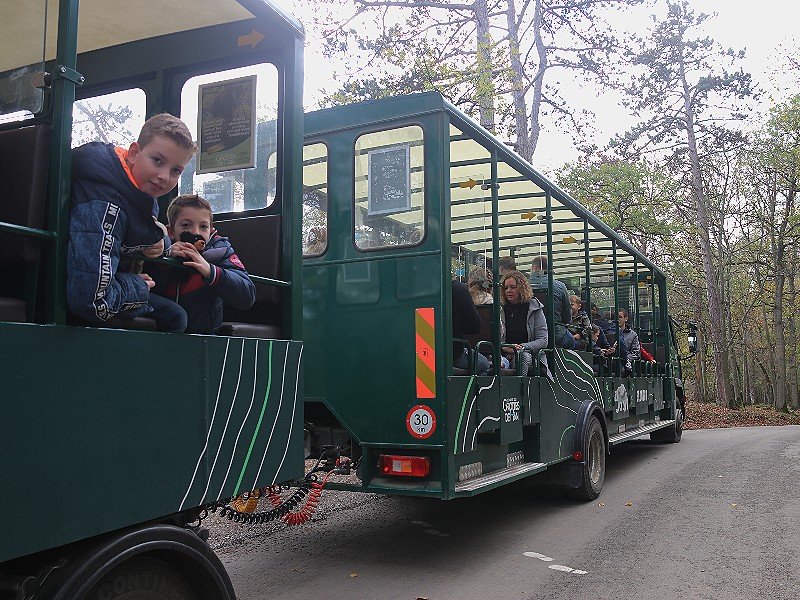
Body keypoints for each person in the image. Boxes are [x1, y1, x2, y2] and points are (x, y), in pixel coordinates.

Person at [67, 113, 196, 332]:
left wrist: (163, 243)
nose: (164, 176)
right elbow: (92, 301)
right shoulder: (106, 205)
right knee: (175, 317)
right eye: (157, 161)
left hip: (101, 281)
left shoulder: (135, 188)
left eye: (176, 170)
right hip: (72, 290)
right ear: (135, 153)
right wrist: (138, 287)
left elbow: (149, 232)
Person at [152, 194, 256, 334]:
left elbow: (247, 295)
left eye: (203, 226)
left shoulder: (220, 250)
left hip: (204, 334)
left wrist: (210, 271)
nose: (195, 232)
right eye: (186, 225)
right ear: (171, 231)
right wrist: (166, 258)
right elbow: (151, 290)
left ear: (211, 231)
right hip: (163, 329)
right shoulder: (159, 248)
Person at [499, 270, 549, 376]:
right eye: (506, 288)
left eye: (513, 287)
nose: (508, 291)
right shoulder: (500, 308)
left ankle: (520, 389)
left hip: (528, 352)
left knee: (522, 357)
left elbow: (543, 340)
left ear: (521, 288)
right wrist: (504, 347)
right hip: (504, 351)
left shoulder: (534, 307)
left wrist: (521, 347)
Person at [528, 255, 576, 349]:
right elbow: (567, 316)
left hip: (530, 335)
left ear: (534, 268)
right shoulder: (560, 286)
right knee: (571, 341)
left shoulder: (524, 286)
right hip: (555, 335)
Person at [452, 279, 490, 375]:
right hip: (452, 355)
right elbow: (473, 327)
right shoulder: (457, 289)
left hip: (420, 353)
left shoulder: (414, 289)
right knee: (484, 364)